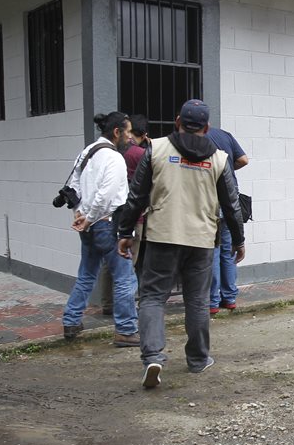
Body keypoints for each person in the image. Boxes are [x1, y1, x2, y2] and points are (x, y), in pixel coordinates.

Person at [115, 99, 246, 389]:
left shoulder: (156, 149)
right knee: (197, 301)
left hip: (162, 236)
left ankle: (153, 356)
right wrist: (238, 240)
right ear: (207, 128)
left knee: (152, 297)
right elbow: (232, 204)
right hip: (201, 241)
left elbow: (136, 195)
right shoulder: (220, 159)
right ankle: (198, 359)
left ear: (177, 121)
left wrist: (125, 231)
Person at [61, 112, 140, 347]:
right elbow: (106, 195)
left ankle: (71, 320)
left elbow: (72, 185)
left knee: (87, 274)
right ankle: (126, 331)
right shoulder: (114, 158)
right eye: (127, 132)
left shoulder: (87, 152)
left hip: (90, 224)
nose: (130, 138)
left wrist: (79, 212)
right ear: (117, 132)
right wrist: (91, 217)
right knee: (125, 278)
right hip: (108, 224)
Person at [100, 114, 150, 317]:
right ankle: (127, 310)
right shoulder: (140, 154)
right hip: (133, 216)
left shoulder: (117, 152)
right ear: (144, 134)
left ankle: (107, 303)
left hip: (110, 216)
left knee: (109, 263)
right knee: (129, 263)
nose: (128, 136)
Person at [205, 124, 249, 314]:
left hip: (210, 201)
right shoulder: (225, 135)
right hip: (230, 200)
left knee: (212, 251)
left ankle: (212, 301)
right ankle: (229, 297)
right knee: (228, 250)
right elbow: (243, 160)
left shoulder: (197, 138)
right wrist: (228, 169)